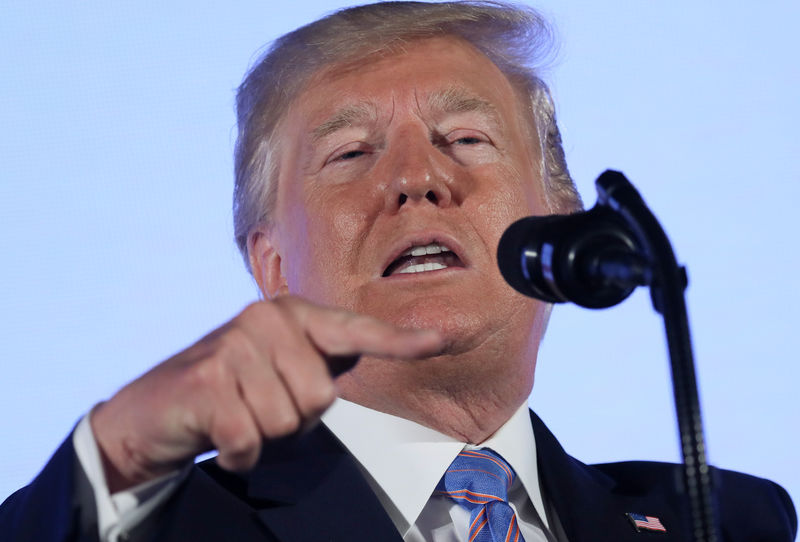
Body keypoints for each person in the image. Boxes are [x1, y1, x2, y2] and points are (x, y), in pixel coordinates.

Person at [1, 2, 796, 541]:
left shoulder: (722, 518)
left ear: (558, 224)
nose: (417, 179)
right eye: (351, 153)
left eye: (466, 139)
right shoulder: (162, 523)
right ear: (272, 265)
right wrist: (123, 449)